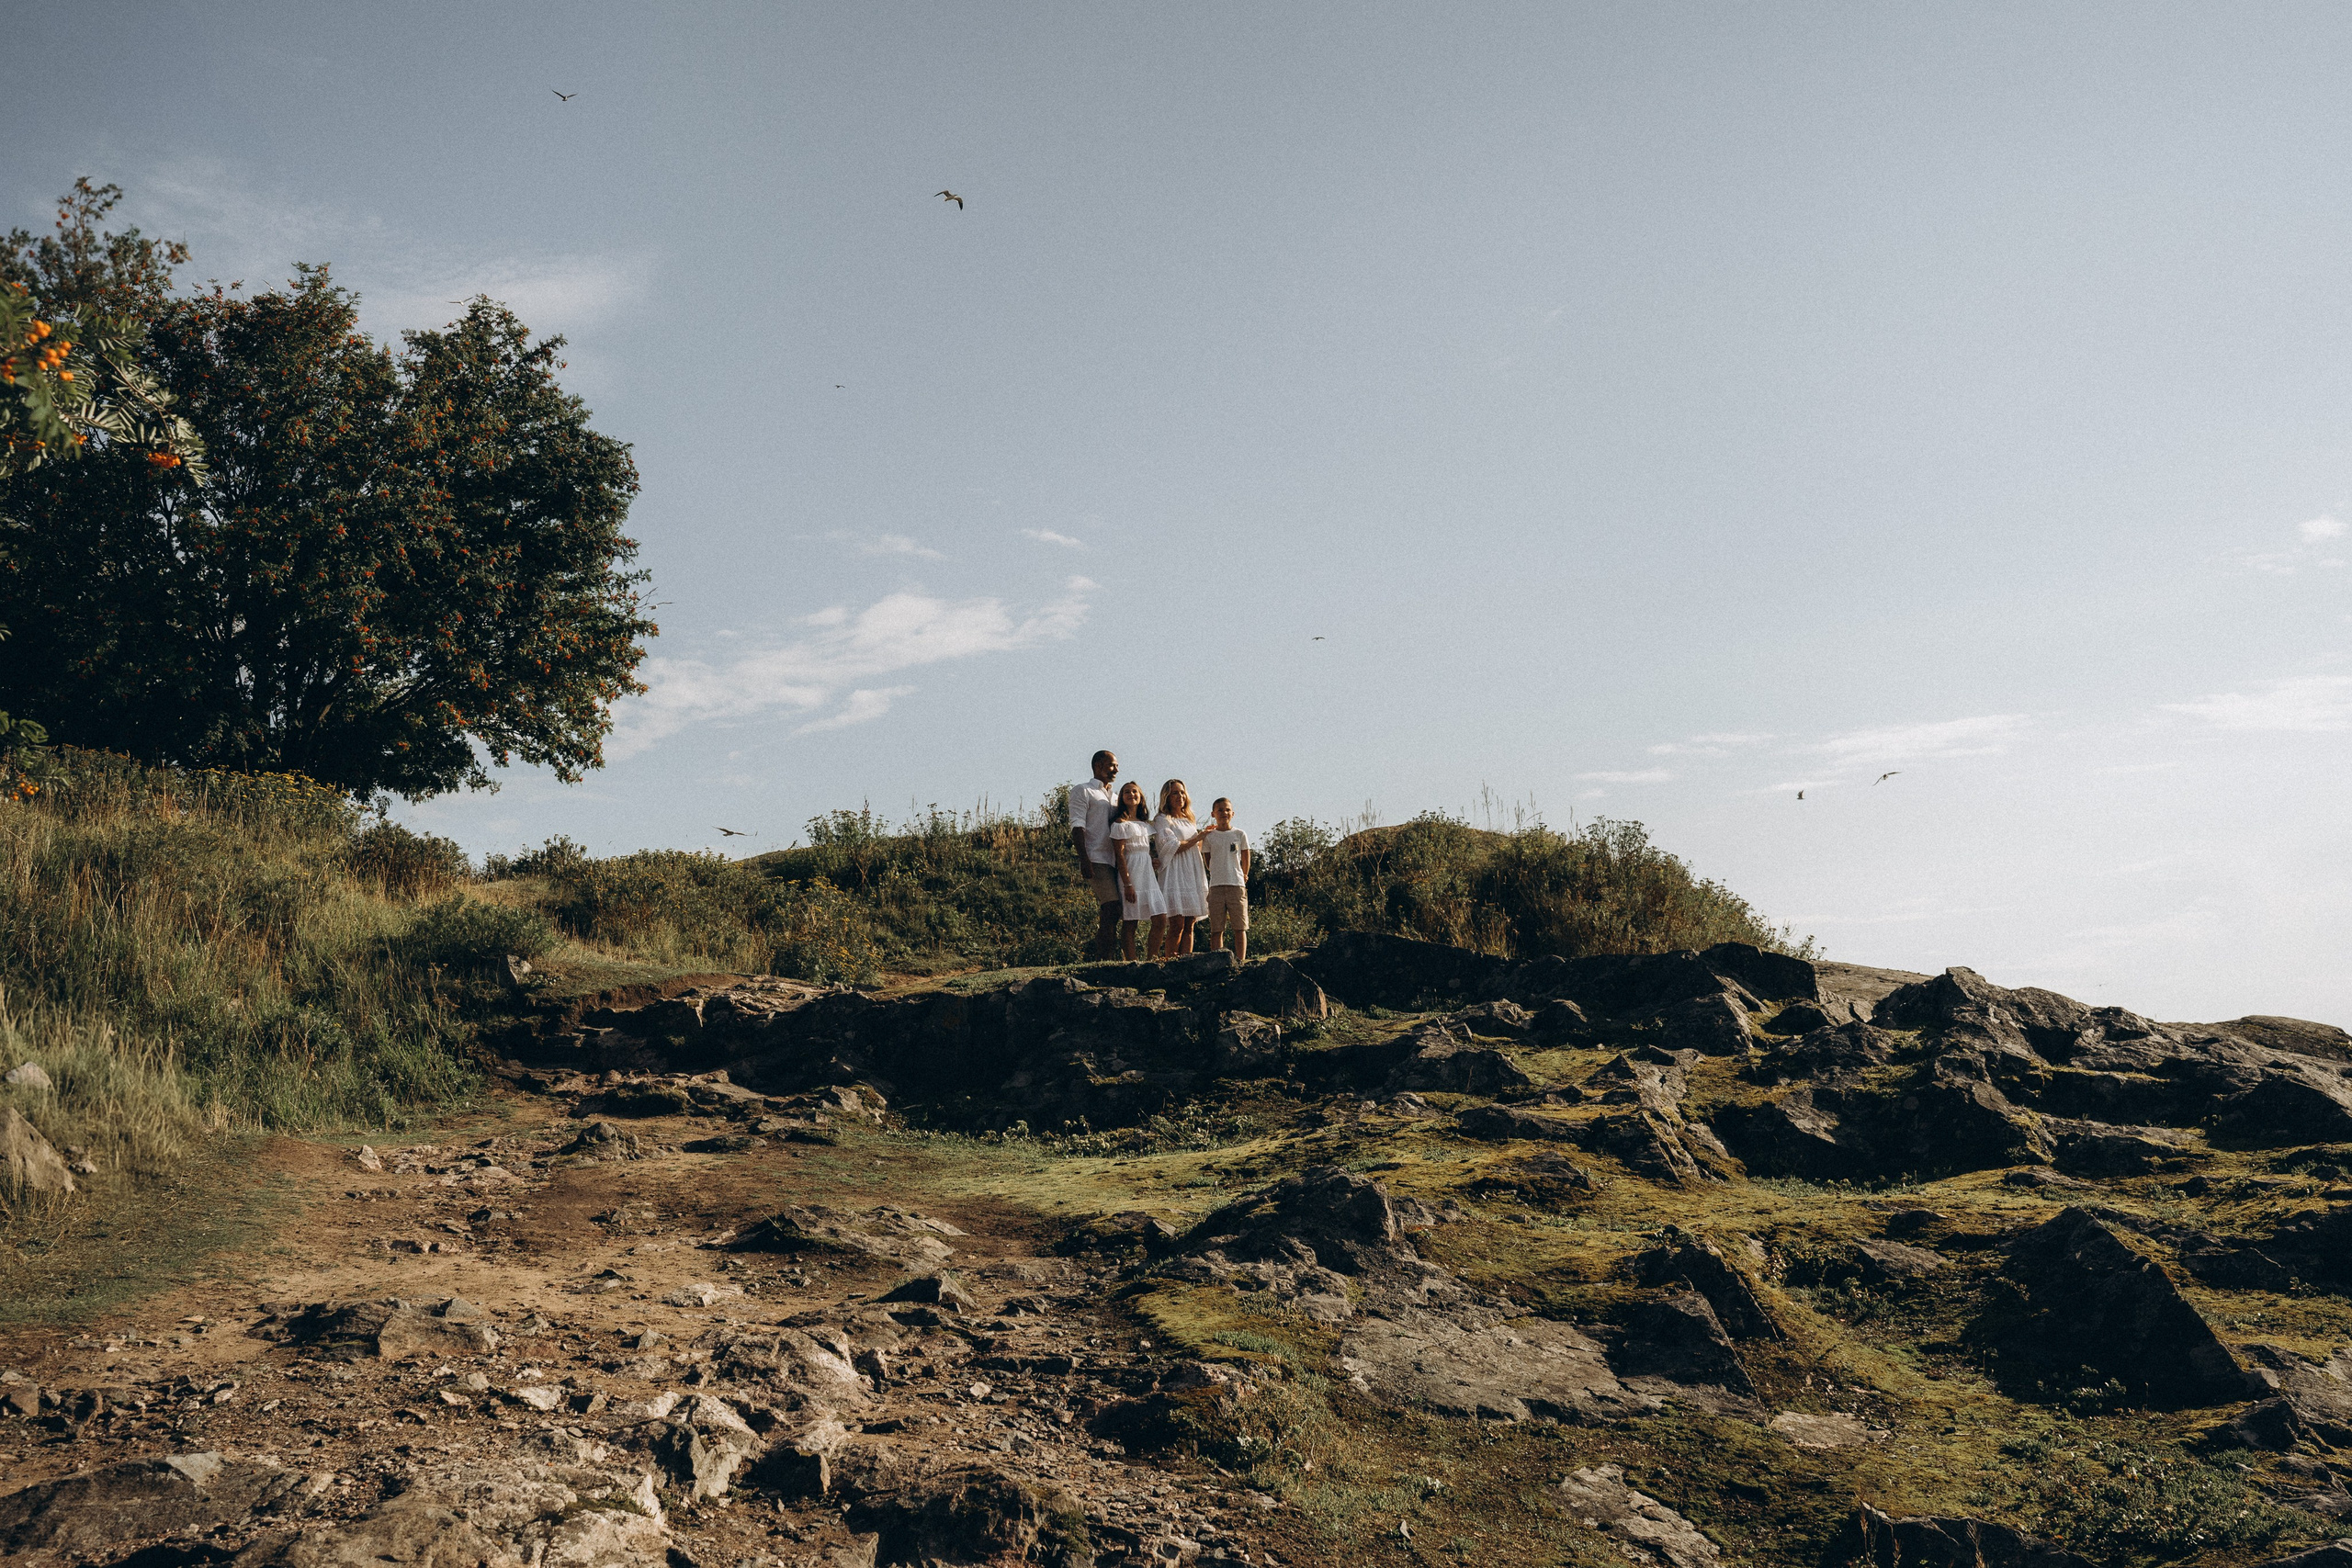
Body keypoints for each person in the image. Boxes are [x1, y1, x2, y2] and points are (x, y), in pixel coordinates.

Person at [1067, 749, 1121, 959]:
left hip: (1116, 860)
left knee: (1116, 911)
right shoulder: (1083, 791)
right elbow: (1077, 826)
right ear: (1098, 766)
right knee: (1111, 906)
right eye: (1112, 765)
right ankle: (1103, 957)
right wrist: (1084, 859)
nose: (1116, 769)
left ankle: (1107, 957)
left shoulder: (1116, 797)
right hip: (1096, 857)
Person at [1148, 779, 1210, 957]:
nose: (1180, 796)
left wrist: (1203, 838)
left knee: (1190, 923)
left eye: (1182, 792)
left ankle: (1186, 961)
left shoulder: (1188, 819)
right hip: (1175, 872)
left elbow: (1195, 847)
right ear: (1166, 796)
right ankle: (1170, 961)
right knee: (1177, 923)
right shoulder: (1162, 819)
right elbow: (1171, 846)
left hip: (1192, 870)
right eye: (1175, 793)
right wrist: (1198, 838)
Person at [1105, 780, 1166, 961]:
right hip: (1130, 874)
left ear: (1140, 797)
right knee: (1131, 921)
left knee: (1160, 918)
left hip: (1147, 874)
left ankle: (1152, 960)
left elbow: (1144, 850)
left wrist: (1152, 860)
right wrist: (1128, 884)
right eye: (1127, 792)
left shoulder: (1144, 824)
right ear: (1122, 798)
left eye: (1135, 792)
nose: (1131, 795)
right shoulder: (1120, 823)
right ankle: (1131, 962)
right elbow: (1120, 855)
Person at [1200, 796, 1251, 963]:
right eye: (1220, 810)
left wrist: (1243, 874)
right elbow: (1207, 860)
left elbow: (1245, 856)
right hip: (1216, 886)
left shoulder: (1239, 834)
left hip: (1236, 885)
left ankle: (1241, 961)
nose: (1224, 813)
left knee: (1240, 927)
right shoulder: (1209, 836)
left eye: (1227, 810)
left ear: (1233, 813)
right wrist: (1216, 871)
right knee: (1217, 928)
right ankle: (1218, 962)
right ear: (1213, 813)